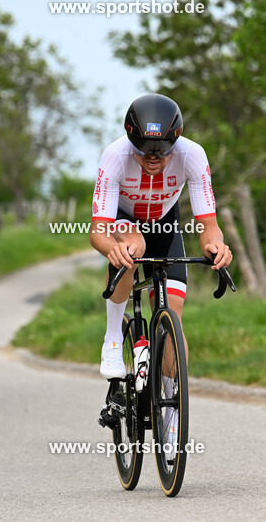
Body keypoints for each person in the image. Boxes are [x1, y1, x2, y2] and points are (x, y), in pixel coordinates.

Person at [89, 93, 232, 379]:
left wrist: (216, 247)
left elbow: (208, 225)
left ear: (175, 142)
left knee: (172, 316)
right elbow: (98, 231)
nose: (152, 157)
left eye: (162, 150)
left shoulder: (192, 155)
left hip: (165, 224)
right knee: (133, 247)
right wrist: (111, 250)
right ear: (131, 141)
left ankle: (171, 402)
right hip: (124, 219)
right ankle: (113, 339)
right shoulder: (115, 156)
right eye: (143, 150)